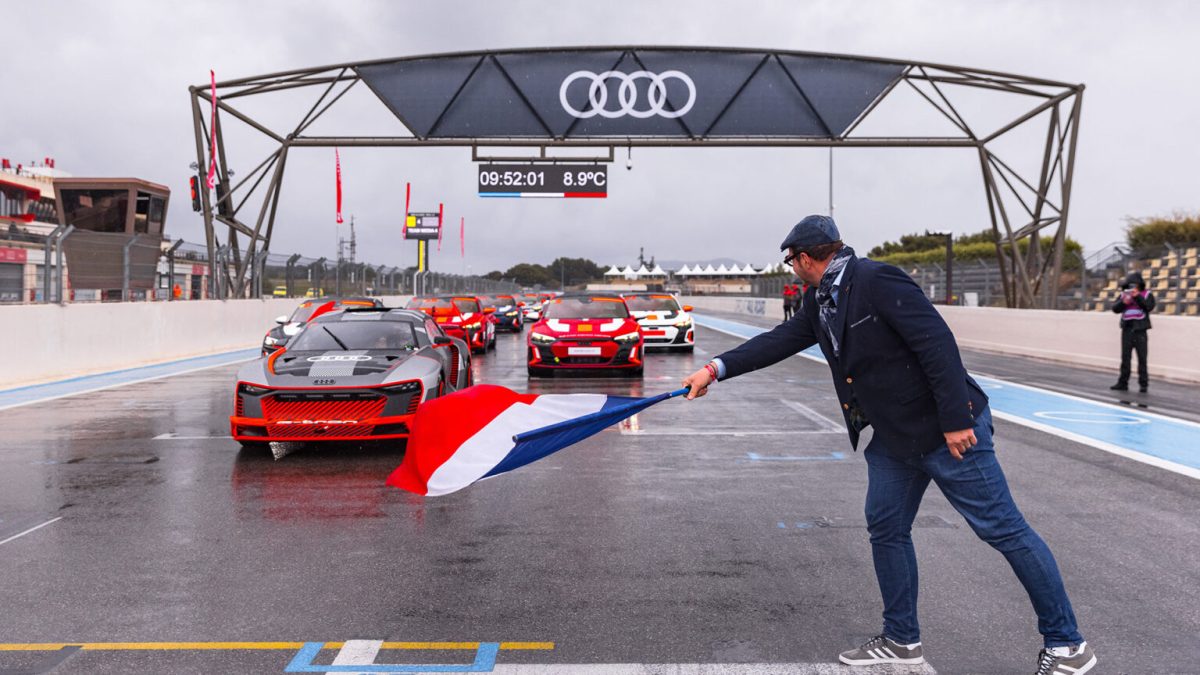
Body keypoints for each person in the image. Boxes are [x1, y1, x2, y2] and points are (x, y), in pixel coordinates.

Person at [681, 215, 1095, 674]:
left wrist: (957, 419)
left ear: (803, 258)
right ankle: (901, 639)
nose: (792, 269)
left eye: (791, 261)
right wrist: (714, 369)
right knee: (886, 528)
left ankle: (1067, 645)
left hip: (947, 431)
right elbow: (779, 341)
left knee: (1004, 530)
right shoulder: (821, 300)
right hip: (896, 439)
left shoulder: (876, 279)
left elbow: (936, 342)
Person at [1109, 272, 1154, 393]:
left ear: (1140, 285)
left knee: (1142, 359)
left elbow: (1149, 307)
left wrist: (1137, 297)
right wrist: (1124, 302)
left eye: (1135, 285)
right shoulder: (1123, 295)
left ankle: (1143, 385)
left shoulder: (1147, 294)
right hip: (1127, 329)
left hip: (1140, 330)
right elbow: (1115, 309)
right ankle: (1123, 383)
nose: (1132, 287)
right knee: (1125, 358)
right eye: (1130, 285)